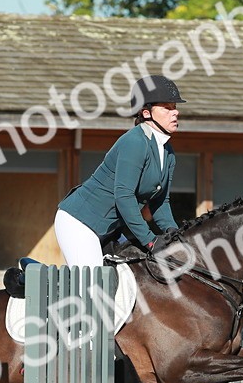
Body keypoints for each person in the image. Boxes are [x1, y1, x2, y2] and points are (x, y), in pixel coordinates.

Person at [55, 75, 184, 266]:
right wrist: (150, 240)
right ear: (146, 113)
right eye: (167, 107)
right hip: (80, 223)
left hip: (110, 229)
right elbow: (124, 196)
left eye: (175, 107)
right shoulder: (134, 141)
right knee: (94, 285)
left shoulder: (167, 151)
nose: (175, 113)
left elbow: (160, 200)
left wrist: (174, 233)